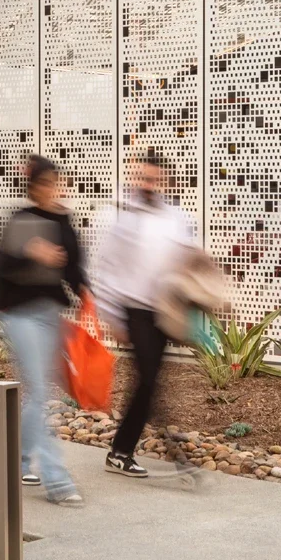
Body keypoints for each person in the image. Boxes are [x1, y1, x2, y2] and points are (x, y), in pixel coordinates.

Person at [91, 154, 199, 477]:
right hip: (134, 310)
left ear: (163, 181)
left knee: (151, 382)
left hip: (163, 311)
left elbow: (187, 257)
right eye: (144, 178)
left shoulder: (176, 218)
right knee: (149, 379)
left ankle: (124, 451)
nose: (148, 184)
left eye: (154, 179)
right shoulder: (124, 220)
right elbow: (107, 268)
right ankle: (134, 451)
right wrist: (110, 315)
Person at [0, 155, 88, 505]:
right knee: (42, 391)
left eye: (54, 183)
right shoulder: (21, 220)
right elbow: (1, 271)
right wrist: (33, 251)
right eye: (43, 184)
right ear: (33, 188)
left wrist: (91, 300)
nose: (50, 190)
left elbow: (75, 269)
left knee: (40, 394)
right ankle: (57, 480)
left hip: (49, 313)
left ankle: (17, 460)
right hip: (19, 314)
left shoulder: (63, 219)